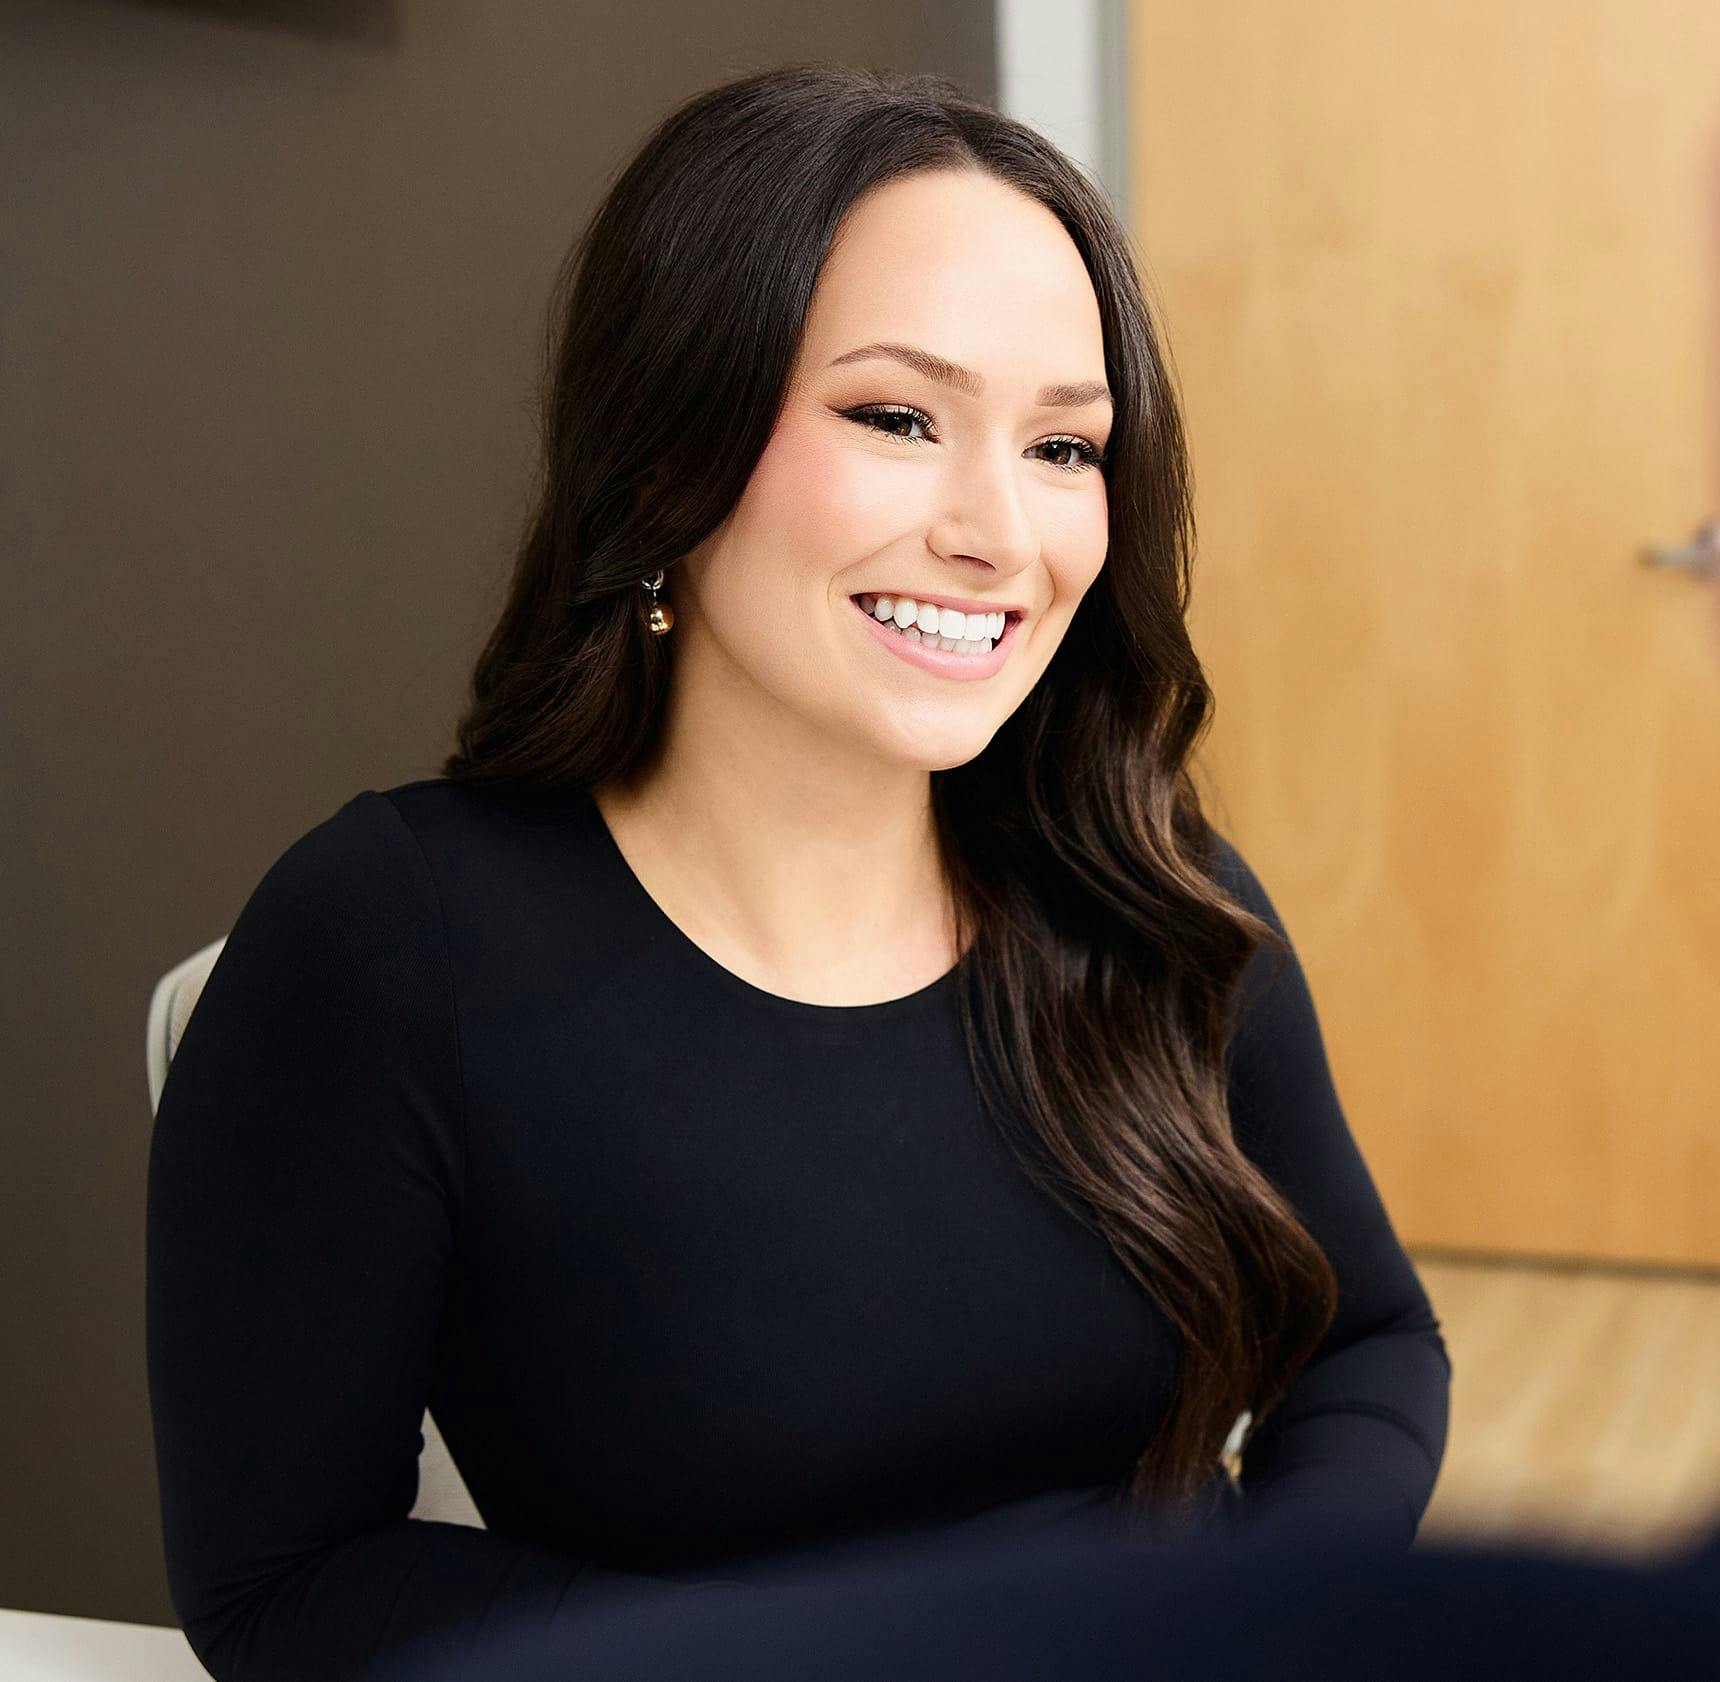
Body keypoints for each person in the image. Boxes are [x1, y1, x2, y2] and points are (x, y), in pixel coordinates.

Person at [146, 62, 1451, 1682]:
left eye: (1064, 447)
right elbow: (287, 1579)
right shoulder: (390, 939)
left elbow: (1370, 1347)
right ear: (667, 448)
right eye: (898, 417)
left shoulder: (1144, 885)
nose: (1001, 533)